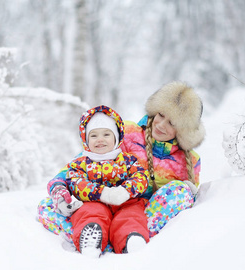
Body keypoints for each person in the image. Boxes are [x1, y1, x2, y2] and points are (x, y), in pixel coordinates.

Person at [37, 81, 205, 249]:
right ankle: (95, 235)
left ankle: (131, 237)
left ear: (183, 128)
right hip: (99, 202)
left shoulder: (189, 160)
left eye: (172, 122)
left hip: (139, 212)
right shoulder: (128, 133)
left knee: (180, 192)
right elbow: (83, 163)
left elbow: (181, 205)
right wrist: (59, 188)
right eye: (161, 115)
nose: (161, 125)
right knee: (47, 207)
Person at [60, 105, 150, 257]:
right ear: (86, 140)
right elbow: (75, 182)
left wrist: (125, 191)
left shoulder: (128, 160)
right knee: (90, 213)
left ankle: (130, 239)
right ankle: (90, 240)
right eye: (93, 136)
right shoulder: (81, 163)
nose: (100, 139)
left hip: (125, 202)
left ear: (117, 137)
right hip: (95, 202)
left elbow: (141, 177)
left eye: (106, 134)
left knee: (130, 216)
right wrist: (101, 193)